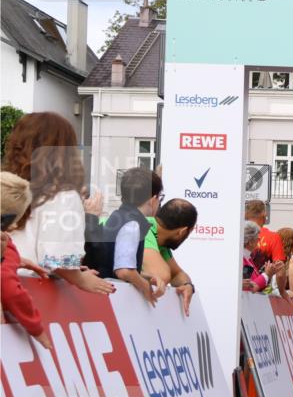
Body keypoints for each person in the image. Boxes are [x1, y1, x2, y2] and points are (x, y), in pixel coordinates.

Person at [3, 112, 114, 296]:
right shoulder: (63, 195)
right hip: (31, 296)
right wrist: (79, 278)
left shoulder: (7, 188)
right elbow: (57, 259)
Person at [100, 167, 167, 306]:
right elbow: (124, 271)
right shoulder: (132, 224)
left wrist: (146, 277)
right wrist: (145, 286)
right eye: (160, 198)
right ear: (153, 199)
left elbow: (116, 263)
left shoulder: (119, 217)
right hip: (113, 301)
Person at [1, 172, 52, 349]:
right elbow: (10, 290)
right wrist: (36, 329)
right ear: (8, 222)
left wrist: (18, 260)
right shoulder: (4, 244)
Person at [139, 199, 199, 316]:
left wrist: (188, 286)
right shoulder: (144, 226)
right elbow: (163, 276)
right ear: (182, 232)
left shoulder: (160, 240)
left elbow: (177, 274)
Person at [245, 200, 285, 270]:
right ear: (264, 216)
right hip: (263, 279)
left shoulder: (238, 235)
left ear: (245, 216)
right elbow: (280, 272)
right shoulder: (273, 237)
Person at [242, 222, 275, 292]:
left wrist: (268, 274)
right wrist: (266, 274)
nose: (259, 240)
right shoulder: (242, 259)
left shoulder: (247, 258)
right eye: (257, 238)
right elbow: (251, 287)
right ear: (250, 242)